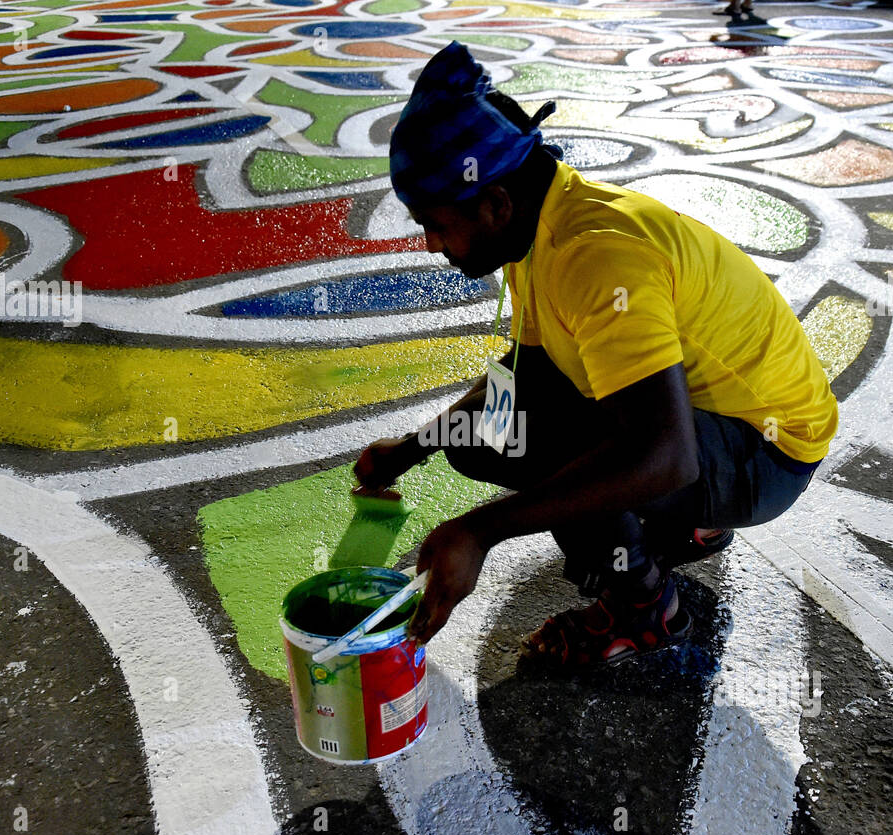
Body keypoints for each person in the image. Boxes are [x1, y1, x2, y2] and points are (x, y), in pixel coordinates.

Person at [354, 42, 838, 667]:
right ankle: (682, 526)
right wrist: (415, 447)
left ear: (495, 204)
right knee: (484, 437)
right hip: (718, 425)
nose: (429, 244)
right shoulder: (543, 224)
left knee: (569, 445)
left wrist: (480, 531)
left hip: (769, 453)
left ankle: (646, 610)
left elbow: (662, 455)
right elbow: (525, 377)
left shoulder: (595, 255)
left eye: (436, 224)